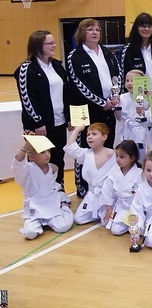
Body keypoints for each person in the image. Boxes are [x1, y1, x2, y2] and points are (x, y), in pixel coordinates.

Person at [67, 18, 121, 196]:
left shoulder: (107, 53)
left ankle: (105, 186)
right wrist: (101, 102)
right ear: (82, 33)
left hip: (108, 107)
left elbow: (117, 75)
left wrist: (114, 98)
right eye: (90, 29)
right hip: (86, 110)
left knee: (106, 145)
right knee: (85, 147)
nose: (94, 32)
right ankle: (83, 187)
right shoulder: (75, 56)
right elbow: (79, 84)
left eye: (97, 29)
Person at [15, 30, 70, 188]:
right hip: (38, 126)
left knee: (57, 157)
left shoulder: (57, 66)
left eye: (54, 42)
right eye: (50, 43)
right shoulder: (26, 68)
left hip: (58, 121)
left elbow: (66, 93)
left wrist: (68, 117)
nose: (54, 46)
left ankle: (58, 189)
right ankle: (39, 191)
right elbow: (27, 98)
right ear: (38, 45)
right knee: (39, 159)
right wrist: (38, 122)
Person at [12, 136, 74, 239]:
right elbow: (17, 163)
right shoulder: (27, 169)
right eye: (42, 152)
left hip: (51, 204)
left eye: (48, 151)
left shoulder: (53, 168)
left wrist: (62, 202)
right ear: (31, 157)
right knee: (30, 234)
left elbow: (54, 187)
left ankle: (64, 207)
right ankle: (35, 222)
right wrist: (26, 145)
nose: (47, 155)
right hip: (35, 206)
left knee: (63, 226)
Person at [64, 123, 117, 225]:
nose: (90, 137)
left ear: (104, 137)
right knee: (79, 219)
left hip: (107, 195)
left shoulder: (111, 154)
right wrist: (77, 130)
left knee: (106, 223)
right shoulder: (86, 154)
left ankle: (107, 211)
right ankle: (96, 212)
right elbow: (70, 148)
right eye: (88, 134)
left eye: (94, 134)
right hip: (92, 195)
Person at [99, 140, 143, 235]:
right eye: (117, 156)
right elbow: (108, 191)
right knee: (114, 229)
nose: (118, 159)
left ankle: (134, 223)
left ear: (132, 158)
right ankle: (128, 223)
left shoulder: (140, 173)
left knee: (137, 230)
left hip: (135, 207)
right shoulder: (114, 172)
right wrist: (108, 209)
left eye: (122, 157)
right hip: (121, 207)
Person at [121, 12, 152, 91]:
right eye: (143, 26)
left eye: (149, 26)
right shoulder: (128, 50)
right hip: (138, 94)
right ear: (136, 28)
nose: (146, 29)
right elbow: (124, 75)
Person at [116, 69, 150, 163]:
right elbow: (119, 117)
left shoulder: (146, 97)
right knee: (127, 155)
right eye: (127, 80)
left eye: (133, 81)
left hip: (141, 130)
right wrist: (116, 107)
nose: (129, 83)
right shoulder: (122, 97)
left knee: (142, 157)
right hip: (127, 130)